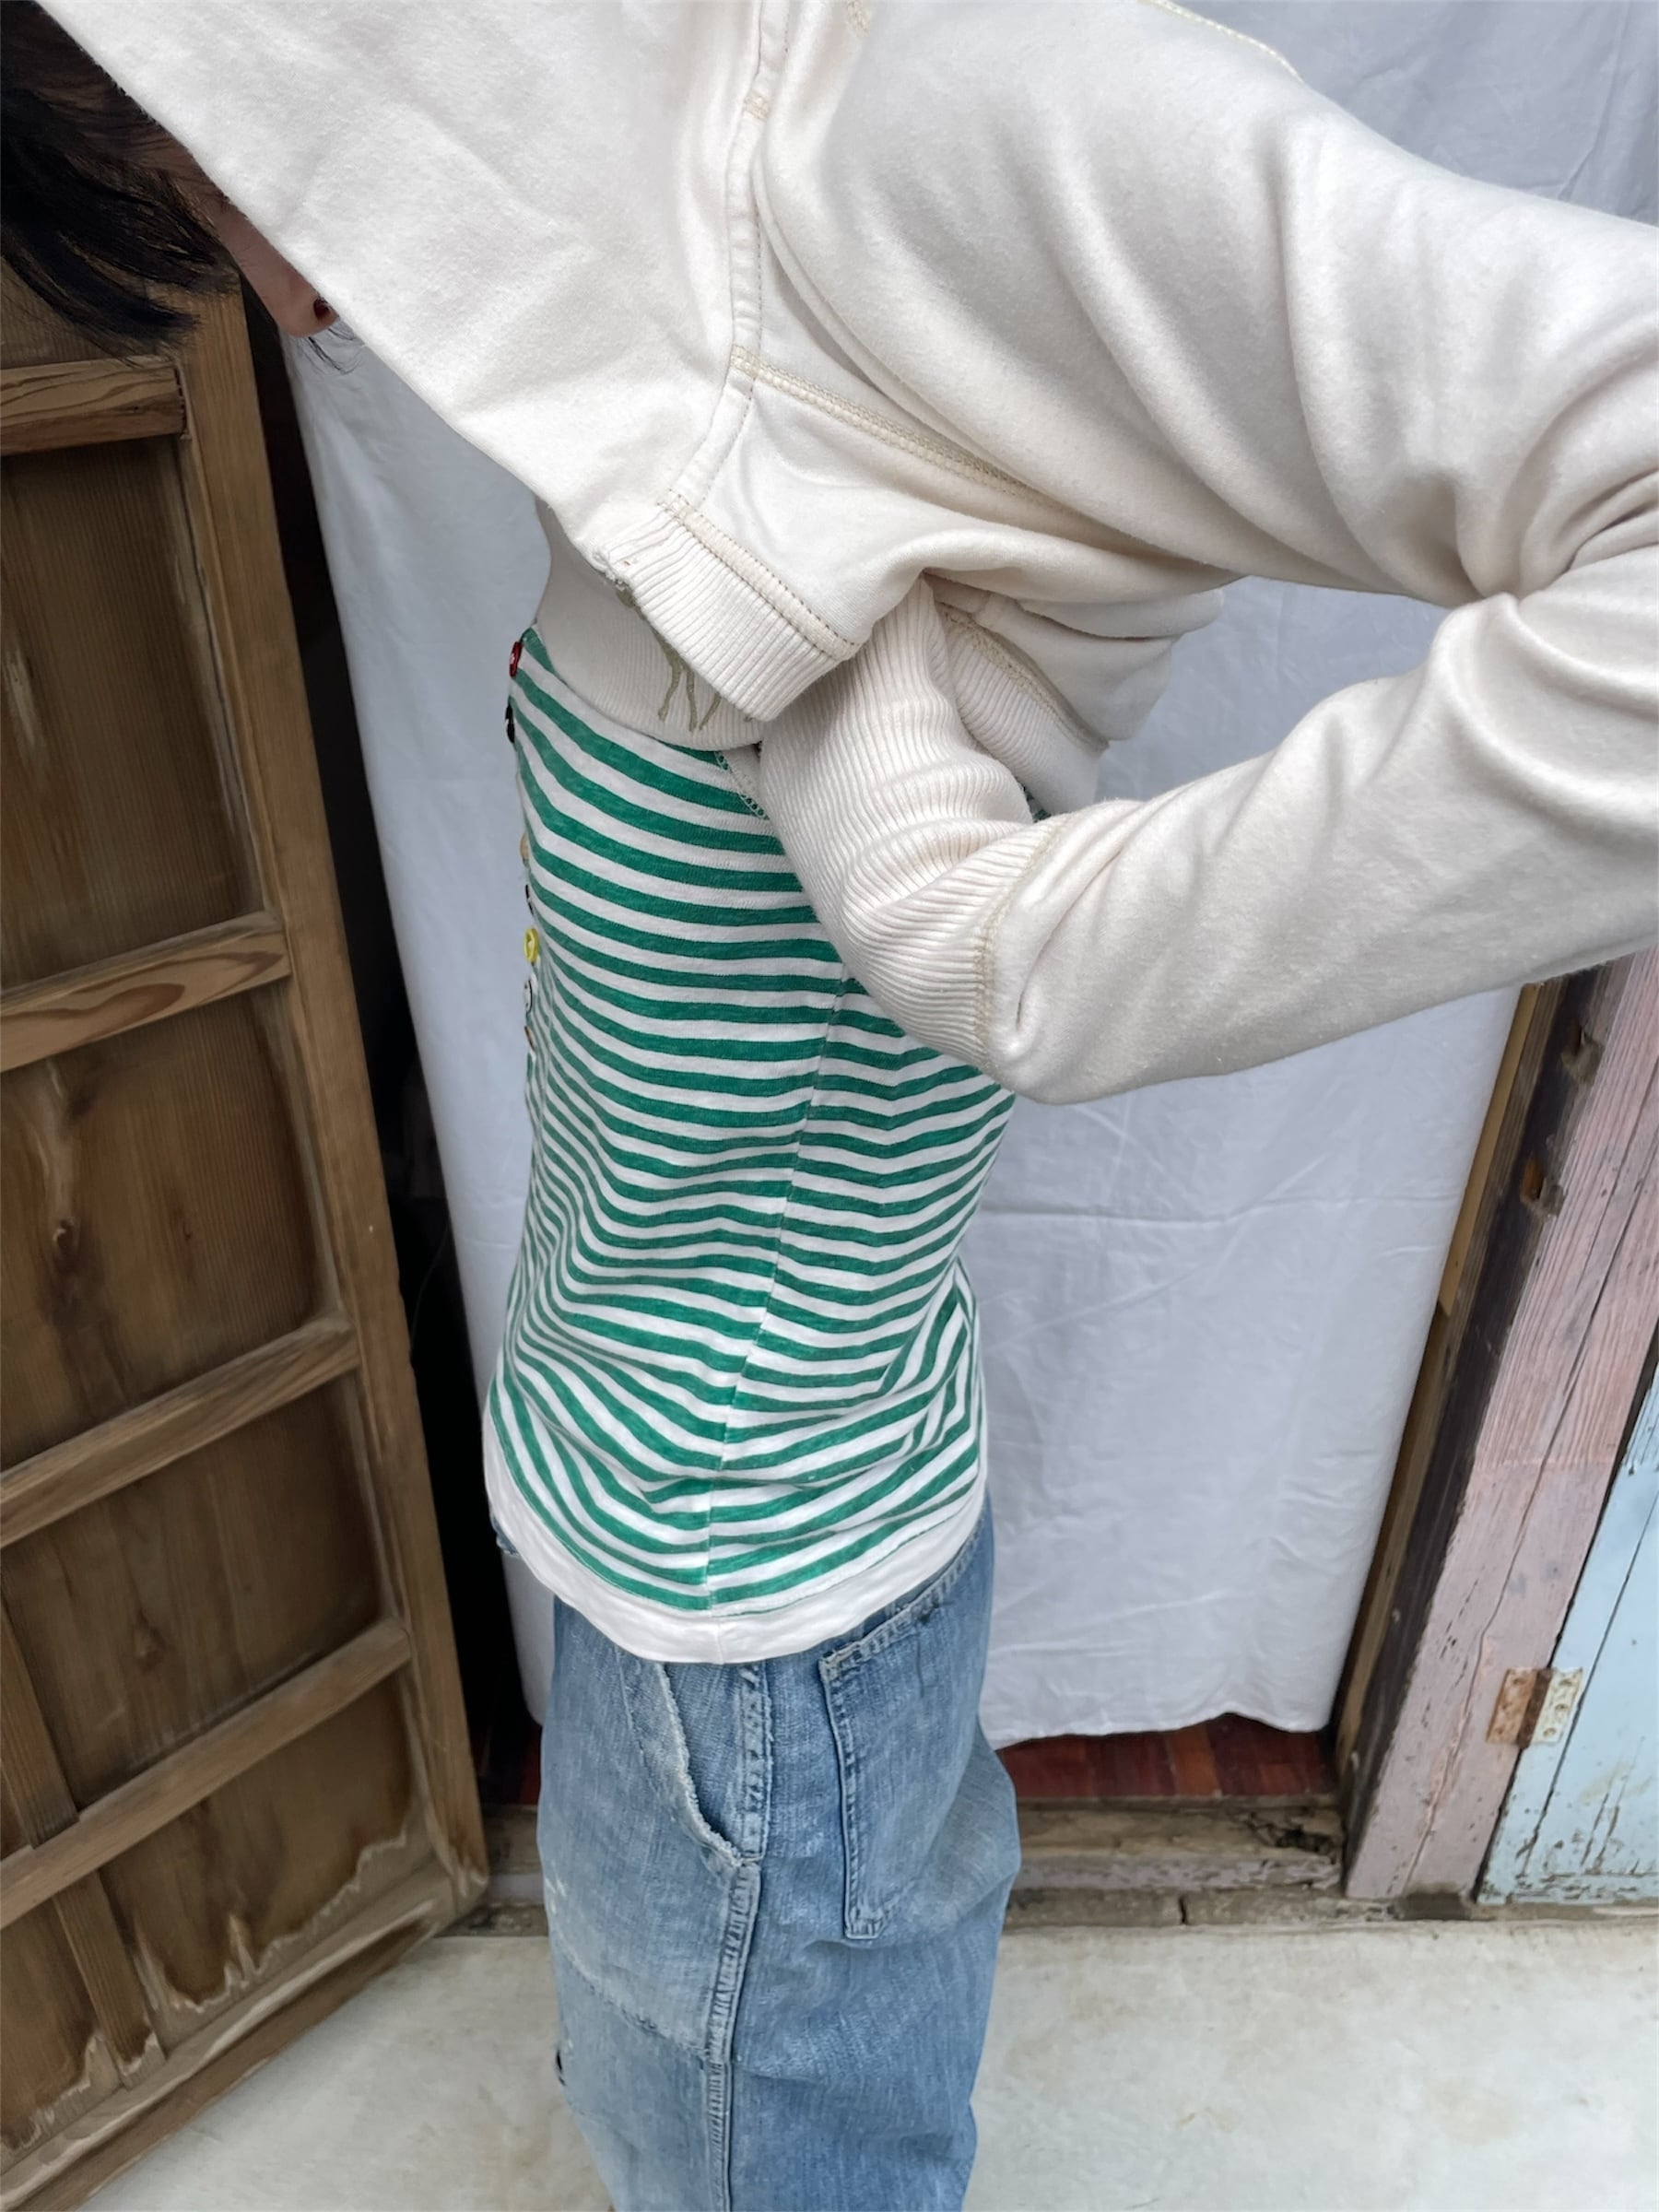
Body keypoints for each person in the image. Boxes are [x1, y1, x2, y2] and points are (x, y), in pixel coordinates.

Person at [5, 5, 1653, 2206]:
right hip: (666, 1527)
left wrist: (1004, 951)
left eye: (210, 169)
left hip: (764, 1629)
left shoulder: (939, 133)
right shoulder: (656, 242)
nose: (296, 303)